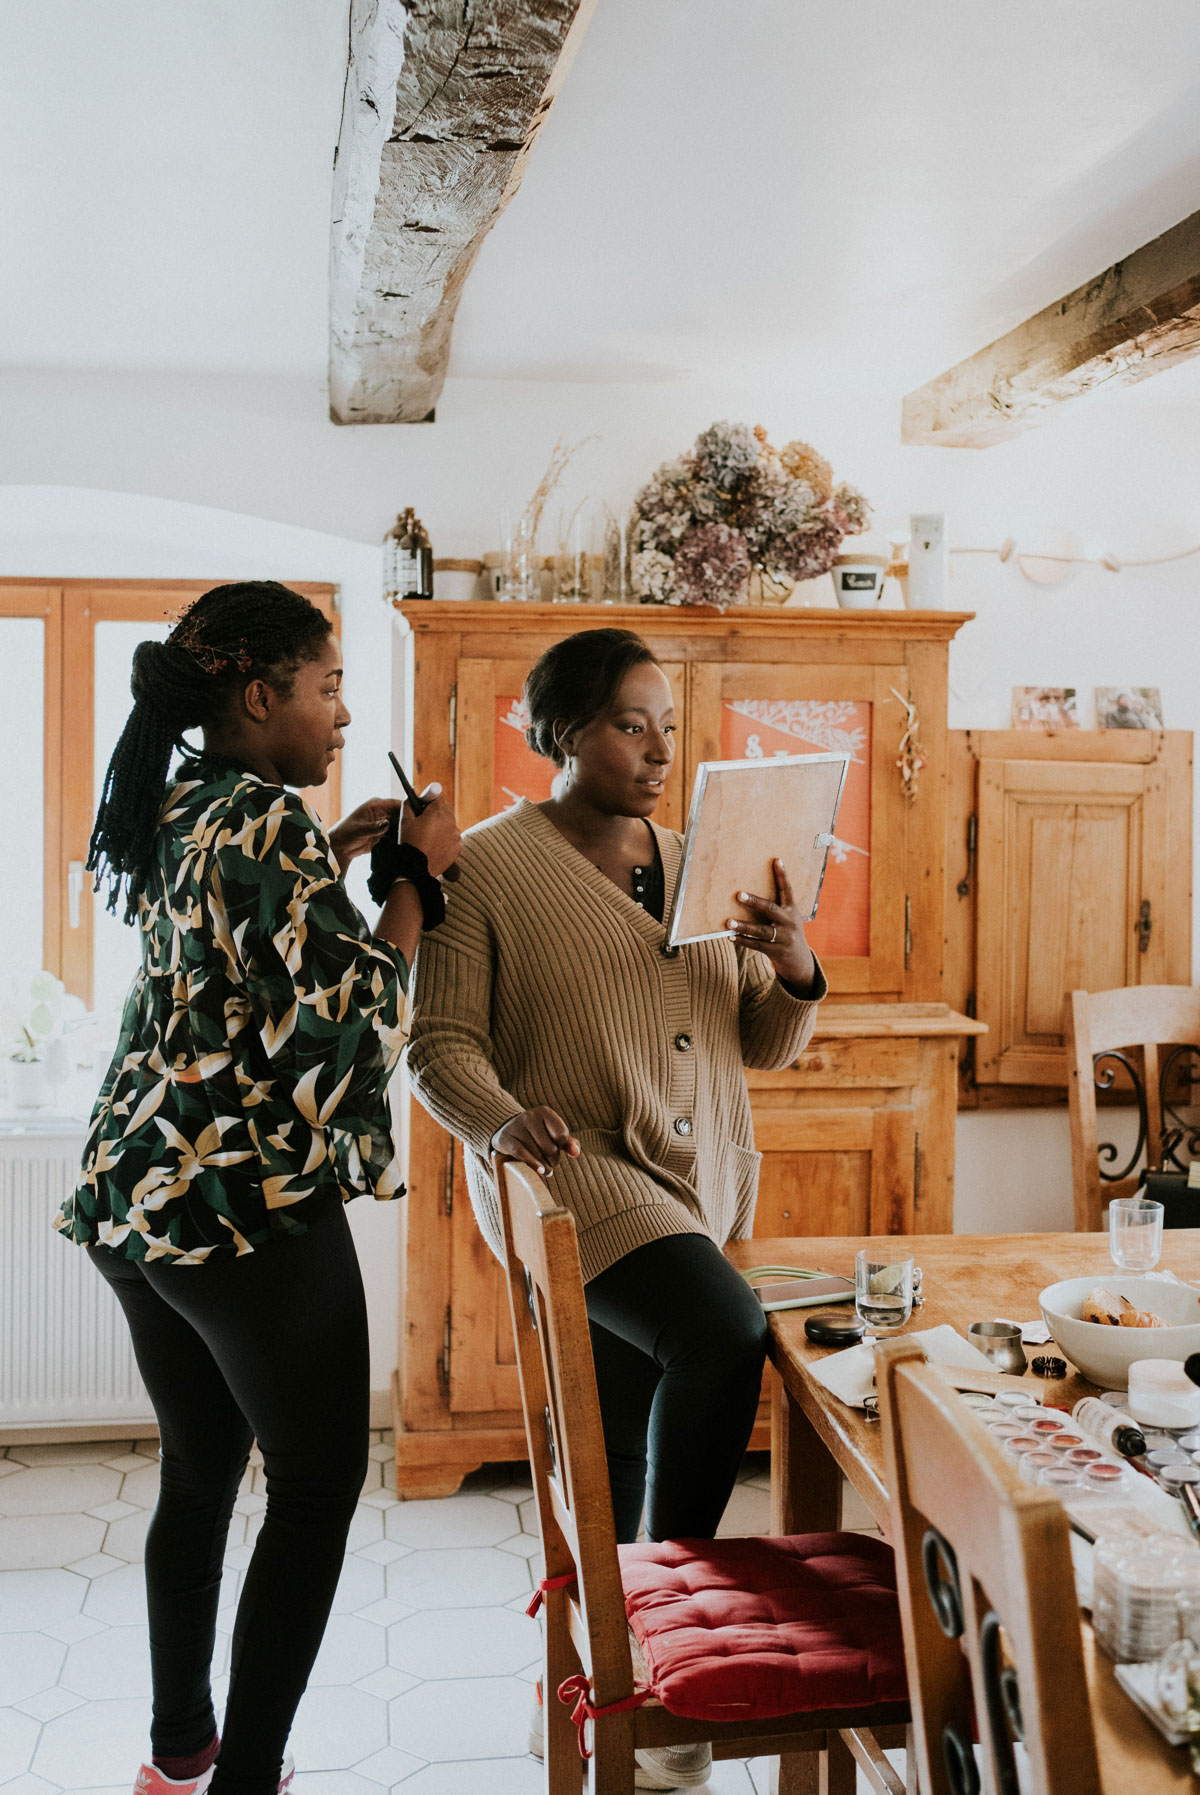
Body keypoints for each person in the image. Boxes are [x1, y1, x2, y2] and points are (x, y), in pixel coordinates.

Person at [53, 582, 459, 1795]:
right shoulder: (266, 821)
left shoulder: (188, 802)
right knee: (321, 1481)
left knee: (198, 1469)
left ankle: (179, 1761)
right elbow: (341, 1033)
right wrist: (416, 885)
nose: (342, 716)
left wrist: (339, 847)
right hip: (237, 1204)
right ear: (261, 693)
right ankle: (247, 1784)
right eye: (329, 688)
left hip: (135, 1194)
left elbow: (238, 923)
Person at [408, 627, 825, 1792]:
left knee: (639, 1436)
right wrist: (499, 1124)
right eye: (626, 723)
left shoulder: (701, 858)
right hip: (578, 1176)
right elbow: (439, 1044)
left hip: (701, 1182)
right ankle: (671, 1641)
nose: (654, 749)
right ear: (557, 732)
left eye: (666, 727)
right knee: (723, 1332)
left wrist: (792, 962)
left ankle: (629, 1684)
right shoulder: (485, 868)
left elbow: (762, 1040)